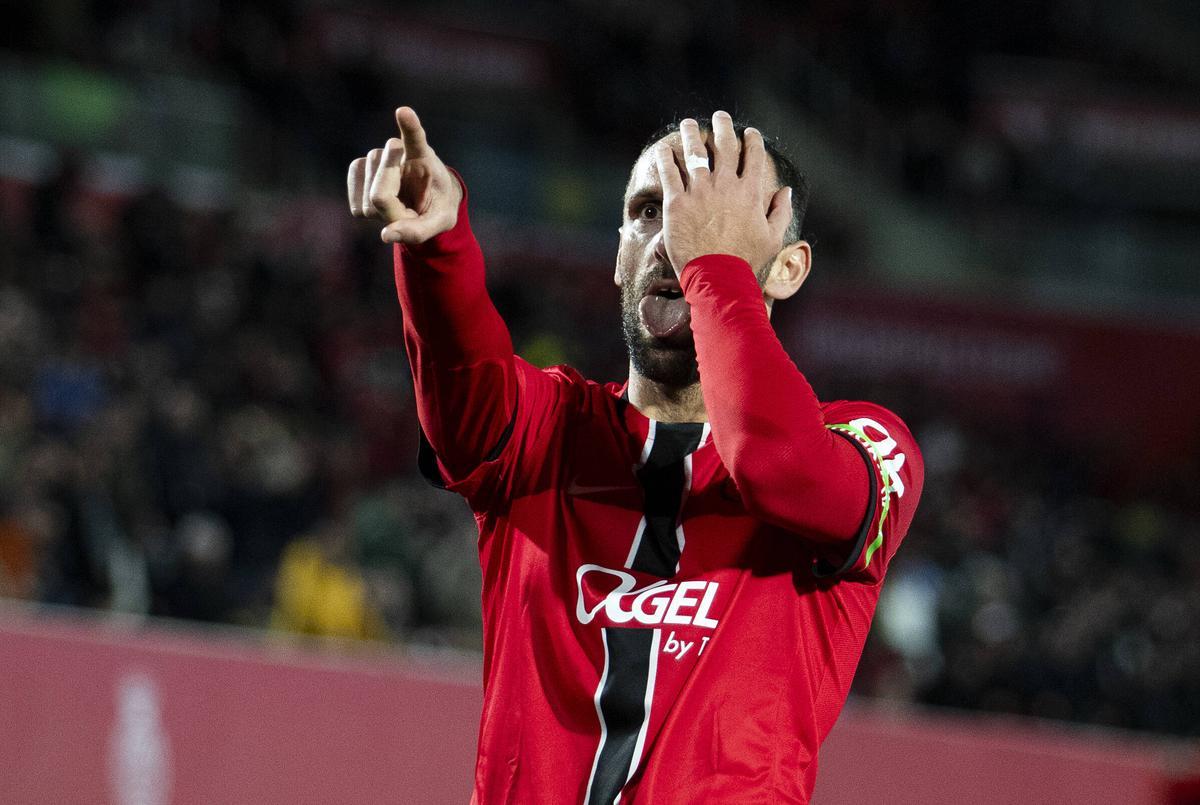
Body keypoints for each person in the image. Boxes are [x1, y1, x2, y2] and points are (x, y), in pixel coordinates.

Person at [347, 106, 923, 804]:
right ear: (619, 255)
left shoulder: (866, 444)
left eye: (710, 211)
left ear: (789, 268)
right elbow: (463, 393)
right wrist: (439, 245)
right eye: (649, 210)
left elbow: (775, 465)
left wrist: (713, 266)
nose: (675, 237)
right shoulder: (549, 432)